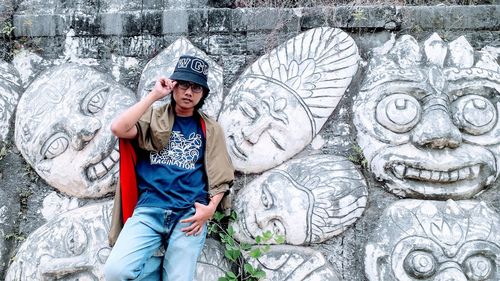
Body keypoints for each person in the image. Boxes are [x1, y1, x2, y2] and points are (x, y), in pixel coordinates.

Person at [104, 55, 234, 280]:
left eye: (196, 88)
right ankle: (166, 268)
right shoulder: (153, 118)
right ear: (173, 86)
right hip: (150, 210)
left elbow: (222, 175)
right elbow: (118, 128)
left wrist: (210, 209)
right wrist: (155, 95)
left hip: (189, 216)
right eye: (183, 84)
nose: (188, 92)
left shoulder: (211, 129)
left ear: (202, 94)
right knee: (117, 272)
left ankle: (172, 271)